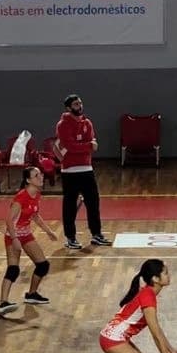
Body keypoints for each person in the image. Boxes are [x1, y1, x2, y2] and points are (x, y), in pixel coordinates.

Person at [0, 166, 59, 316]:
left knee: (43, 265)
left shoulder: (36, 194)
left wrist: (49, 231)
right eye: (37, 175)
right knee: (13, 269)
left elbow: (35, 216)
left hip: (26, 233)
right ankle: (2, 303)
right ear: (28, 180)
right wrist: (14, 239)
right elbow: (9, 221)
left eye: (40, 174)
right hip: (13, 234)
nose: (41, 177)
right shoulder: (21, 197)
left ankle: (31, 294)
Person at [55, 94, 110, 249]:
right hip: (70, 171)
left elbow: (92, 142)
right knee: (70, 206)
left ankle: (96, 234)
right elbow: (70, 146)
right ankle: (71, 238)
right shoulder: (62, 124)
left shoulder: (87, 122)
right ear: (68, 108)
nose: (79, 106)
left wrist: (84, 145)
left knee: (93, 203)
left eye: (80, 103)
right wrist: (86, 146)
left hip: (87, 168)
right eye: (75, 104)